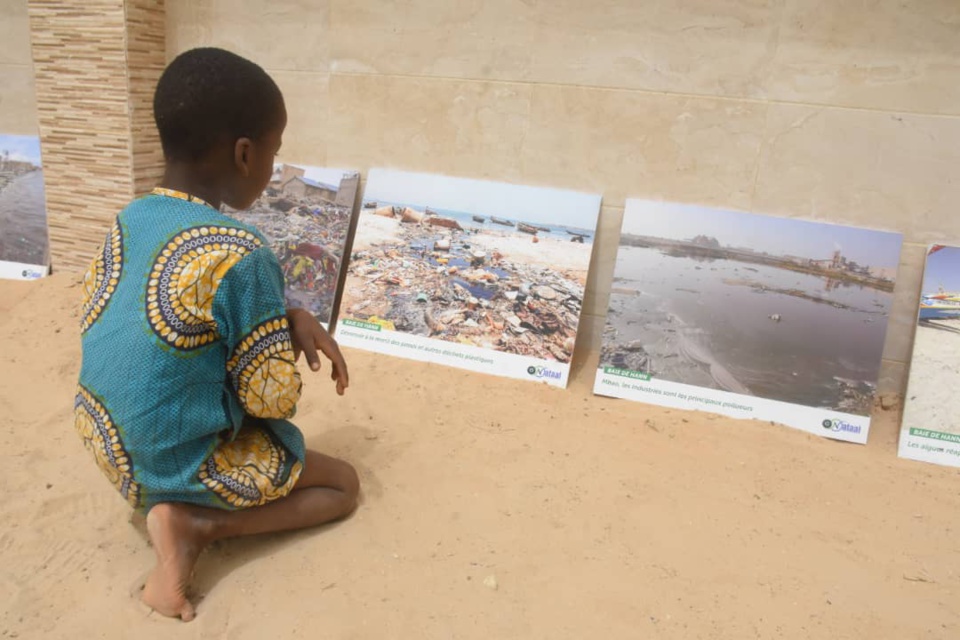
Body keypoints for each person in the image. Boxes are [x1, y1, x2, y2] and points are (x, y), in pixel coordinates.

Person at [73, 47, 359, 622]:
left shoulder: (131, 217)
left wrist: (284, 317)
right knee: (343, 486)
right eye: (274, 154)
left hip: (104, 445)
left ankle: (174, 507)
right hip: (172, 465)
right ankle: (197, 523)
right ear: (245, 154)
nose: (274, 169)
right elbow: (270, 399)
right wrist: (280, 340)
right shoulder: (242, 251)